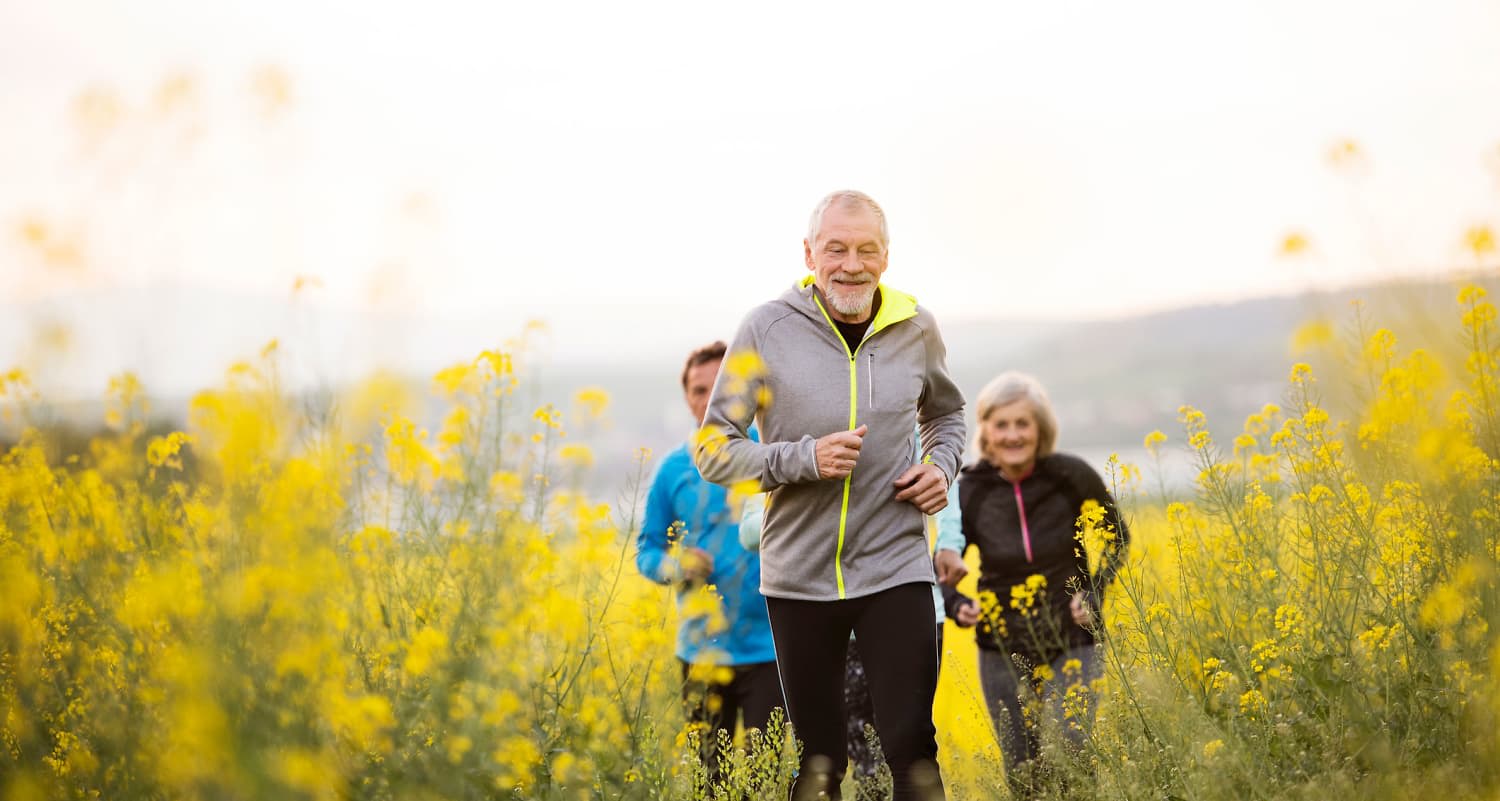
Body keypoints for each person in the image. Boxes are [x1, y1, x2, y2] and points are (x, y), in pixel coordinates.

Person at [695, 190, 966, 801]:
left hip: (895, 566)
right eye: (836, 249)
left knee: (911, 747)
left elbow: (947, 417)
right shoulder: (765, 328)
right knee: (819, 761)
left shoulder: (915, 325)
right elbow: (714, 447)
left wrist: (942, 470)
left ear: (886, 257)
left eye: (866, 250)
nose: (851, 264)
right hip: (798, 576)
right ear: (810, 252)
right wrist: (802, 460)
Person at [938, 371, 1130, 797]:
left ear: (1040, 428)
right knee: (1023, 770)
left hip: (1072, 638)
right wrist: (955, 601)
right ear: (984, 429)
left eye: (1022, 423)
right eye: (1000, 424)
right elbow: (944, 560)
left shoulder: (1071, 476)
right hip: (1002, 646)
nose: (1012, 435)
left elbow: (1118, 537)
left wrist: (1095, 592)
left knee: (1072, 750)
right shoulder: (969, 489)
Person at [740, 478, 965, 801]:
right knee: (822, 760)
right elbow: (749, 530)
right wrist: (803, 493)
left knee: (909, 750)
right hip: (810, 600)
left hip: (896, 596)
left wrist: (948, 544)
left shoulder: (905, 431)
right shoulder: (779, 439)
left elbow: (944, 491)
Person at [636, 341, 782, 790]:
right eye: (700, 389)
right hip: (700, 653)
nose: (709, 398)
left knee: (766, 782)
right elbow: (647, 552)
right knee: (709, 784)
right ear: (688, 398)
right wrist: (676, 565)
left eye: (721, 386)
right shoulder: (673, 470)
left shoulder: (772, 454)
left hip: (770, 651)